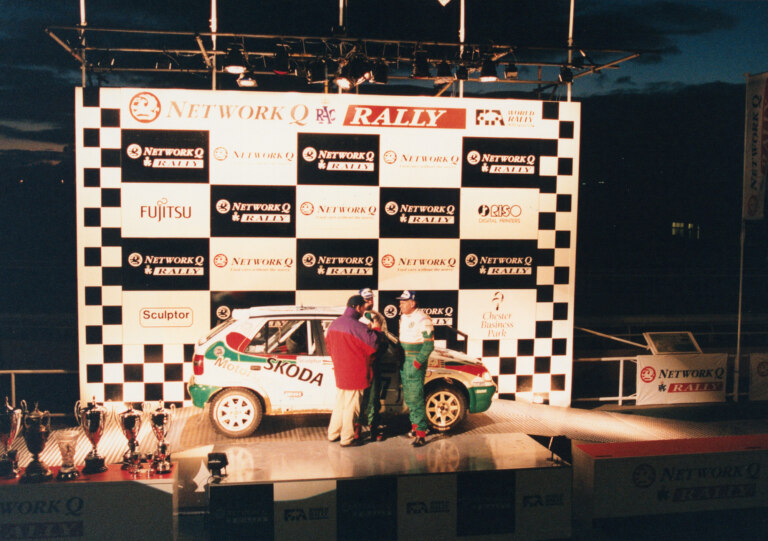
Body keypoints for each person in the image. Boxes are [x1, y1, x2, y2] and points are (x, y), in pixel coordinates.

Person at [326, 295, 380, 447]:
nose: (364, 311)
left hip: (341, 372)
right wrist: (376, 327)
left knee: (340, 404)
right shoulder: (358, 327)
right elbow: (373, 345)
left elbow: (329, 347)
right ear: (357, 307)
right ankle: (347, 439)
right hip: (355, 373)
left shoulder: (334, 324)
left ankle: (333, 433)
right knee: (352, 407)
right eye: (363, 307)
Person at [396, 290, 434, 447]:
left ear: (413, 303)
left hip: (414, 361)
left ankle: (421, 433)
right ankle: (415, 428)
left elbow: (429, 344)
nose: (400, 304)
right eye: (400, 301)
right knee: (410, 397)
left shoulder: (423, 319)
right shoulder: (403, 317)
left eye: (404, 302)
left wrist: (417, 363)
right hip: (404, 361)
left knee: (416, 397)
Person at [357, 288, 387, 441]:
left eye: (371, 298)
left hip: (374, 362)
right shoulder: (355, 318)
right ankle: (356, 429)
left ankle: (373, 428)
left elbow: (384, 342)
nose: (369, 301)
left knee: (373, 398)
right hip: (359, 363)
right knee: (358, 399)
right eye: (366, 299)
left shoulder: (378, 317)